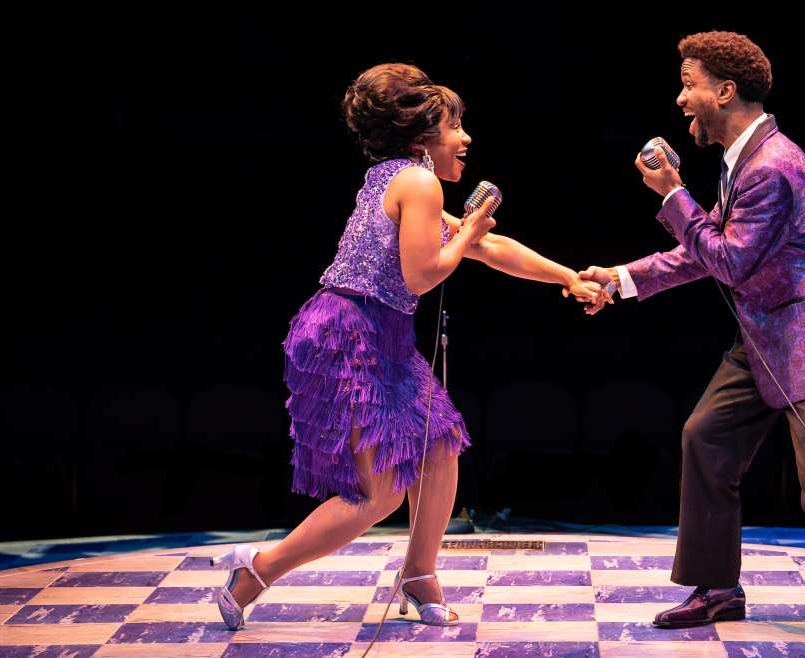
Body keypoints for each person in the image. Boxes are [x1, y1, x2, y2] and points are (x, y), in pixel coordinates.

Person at [212, 63, 607, 630]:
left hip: (383, 334)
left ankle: (419, 574)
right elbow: (423, 275)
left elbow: (490, 248)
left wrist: (567, 276)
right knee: (379, 495)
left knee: (438, 447)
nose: (466, 138)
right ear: (423, 136)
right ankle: (257, 569)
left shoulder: (404, 178)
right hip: (348, 335)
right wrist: (467, 234)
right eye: (455, 126)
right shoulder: (418, 183)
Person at [579, 31, 805, 632]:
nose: (680, 99)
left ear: (725, 91)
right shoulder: (744, 159)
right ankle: (718, 587)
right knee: (706, 438)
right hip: (767, 337)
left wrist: (674, 195)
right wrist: (621, 278)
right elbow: (707, 249)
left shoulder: (772, 166)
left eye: (689, 85)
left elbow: (730, 260)